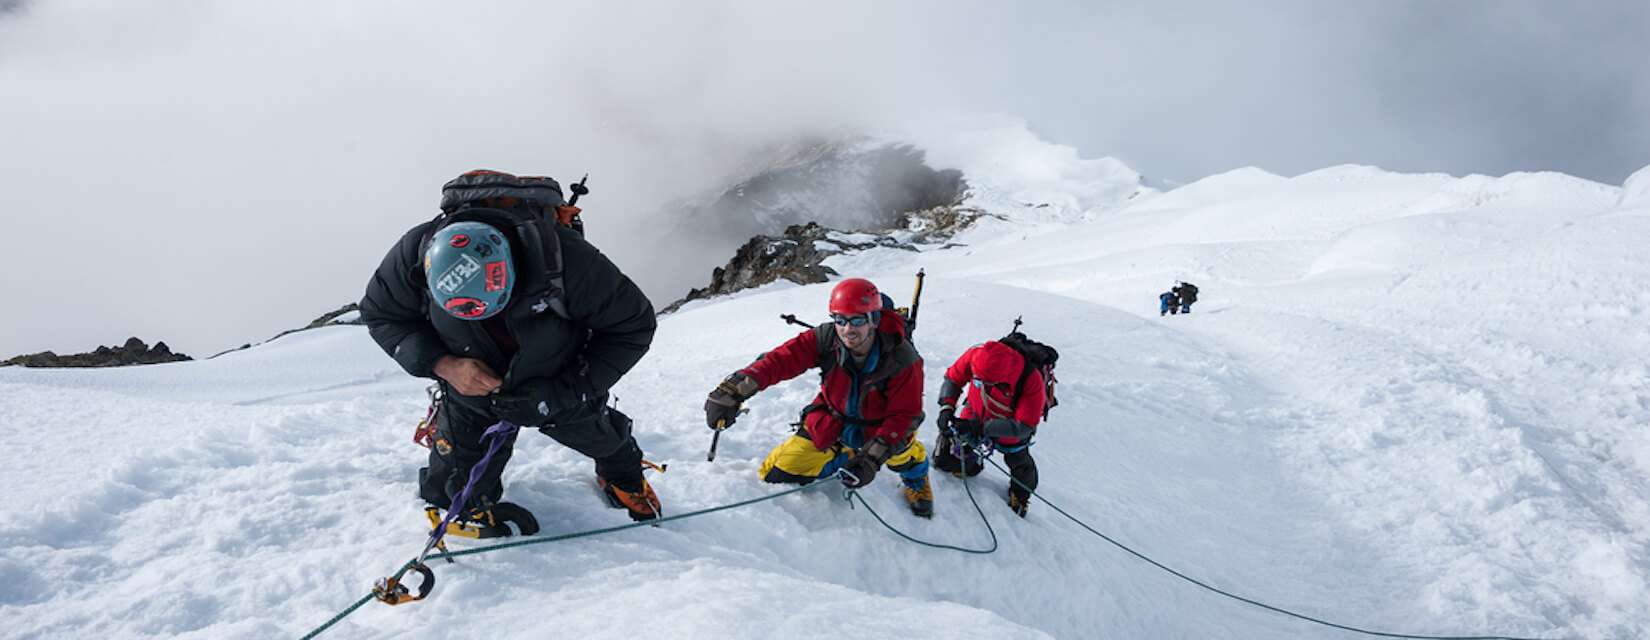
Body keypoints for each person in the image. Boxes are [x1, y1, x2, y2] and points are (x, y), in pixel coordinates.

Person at [360, 170, 663, 532]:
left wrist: (561, 392)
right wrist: (445, 365)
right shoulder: (415, 251)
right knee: (452, 486)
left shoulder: (567, 259)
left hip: (559, 374)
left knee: (601, 436)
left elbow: (633, 325)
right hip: (468, 384)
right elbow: (382, 314)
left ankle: (624, 477)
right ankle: (471, 505)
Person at [703, 278, 935, 518]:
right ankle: (848, 455)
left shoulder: (902, 357)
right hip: (833, 420)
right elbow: (781, 360)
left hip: (881, 430)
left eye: (857, 320)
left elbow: (904, 416)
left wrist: (872, 459)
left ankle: (916, 476)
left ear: (873, 320)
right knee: (777, 472)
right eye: (840, 320)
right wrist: (733, 390)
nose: (848, 329)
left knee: (901, 455)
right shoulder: (828, 339)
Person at [931, 339, 1047, 517]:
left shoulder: (1031, 379)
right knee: (948, 457)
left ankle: (1021, 495)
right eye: (979, 381)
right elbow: (953, 379)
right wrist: (946, 407)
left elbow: (1024, 426)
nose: (982, 385)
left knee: (1019, 463)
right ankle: (970, 465)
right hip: (974, 414)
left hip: (1008, 429)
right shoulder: (975, 355)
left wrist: (981, 428)